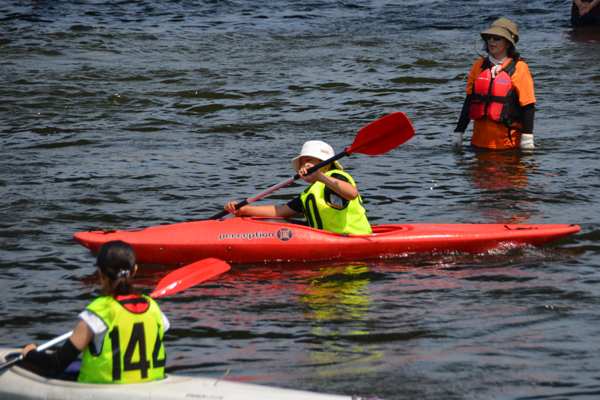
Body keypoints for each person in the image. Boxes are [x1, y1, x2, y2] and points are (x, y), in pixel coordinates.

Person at [21, 240, 169, 383]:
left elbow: (57, 363)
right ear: (135, 270)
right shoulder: (155, 309)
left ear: (100, 273)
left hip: (106, 391)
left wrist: (31, 354)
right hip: (152, 386)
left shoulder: (98, 312)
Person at [224, 140, 372, 235]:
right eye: (301, 163)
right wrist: (242, 209)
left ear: (326, 164)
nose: (303, 165)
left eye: (309, 160)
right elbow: (280, 211)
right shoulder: (309, 193)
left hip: (353, 237)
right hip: (328, 239)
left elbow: (352, 193)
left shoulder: (337, 177)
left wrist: (319, 176)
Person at [451, 18, 536, 150]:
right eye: (489, 37)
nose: (491, 40)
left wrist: (527, 138)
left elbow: (528, 106)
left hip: (507, 146)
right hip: (478, 144)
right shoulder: (478, 66)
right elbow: (469, 102)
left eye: (497, 37)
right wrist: (459, 132)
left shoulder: (520, 68)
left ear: (508, 43)